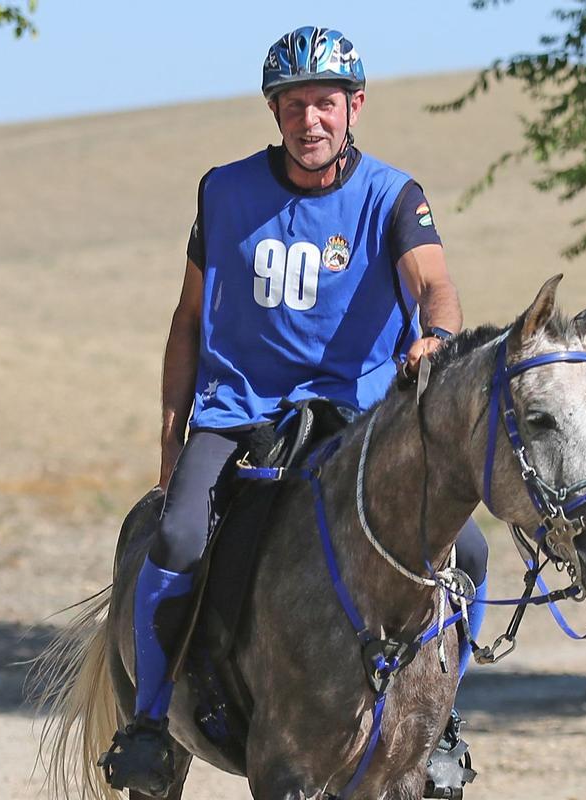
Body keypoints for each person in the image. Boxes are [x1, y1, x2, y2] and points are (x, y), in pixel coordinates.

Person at [98, 26, 489, 797]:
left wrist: (436, 336)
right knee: (174, 536)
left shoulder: (393, 195)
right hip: (240, 411)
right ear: (275, 113)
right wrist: (172, 439)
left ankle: (440, 727)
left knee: (469, 550)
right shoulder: (225, 191)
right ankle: (147, 724)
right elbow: (187, 321)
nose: (311, 120)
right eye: (295, 104)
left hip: (361, 421)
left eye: (326, 104)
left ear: (355, 107)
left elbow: (434, 284)